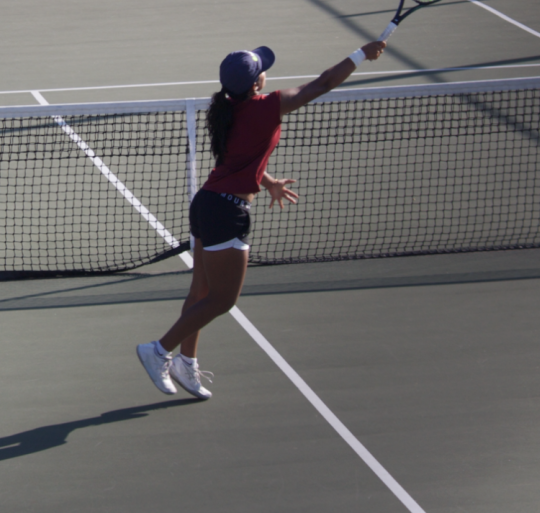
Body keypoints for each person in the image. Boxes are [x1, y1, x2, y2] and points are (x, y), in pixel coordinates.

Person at [137, 39, 387, 399]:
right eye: (262, 70)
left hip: (207, 203)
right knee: (223, 299)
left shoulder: (223, 108)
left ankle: (185, 364)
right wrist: (362, 54)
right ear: (256, 84)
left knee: (201, 291)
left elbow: (237, 158)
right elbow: (323, 83)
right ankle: (159, 351)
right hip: (226, 212)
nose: (267, 73)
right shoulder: (268, 106)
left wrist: (266, 181)